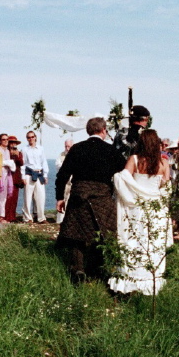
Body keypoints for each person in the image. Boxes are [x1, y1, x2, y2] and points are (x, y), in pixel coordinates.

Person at [56, 117, 126, 283]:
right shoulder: (111, 151)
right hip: (102, 196)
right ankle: (96, 270)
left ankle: (78, 269)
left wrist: (59, 197)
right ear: (103, 130)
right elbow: (124, 173)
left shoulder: (77, 149)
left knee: (76, 232)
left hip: (79, 194)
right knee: (102, 232)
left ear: (88, 131)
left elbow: (62, 175)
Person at [109, 129, 173, 296]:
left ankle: (130, 278)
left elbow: (121, 178)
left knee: (134, 241)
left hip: (137, 208)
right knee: (153, 243)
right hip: (155, 209)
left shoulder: (134, 160)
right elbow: (165, 188)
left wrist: (134, 194)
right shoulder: (163, 163)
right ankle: (151, 279)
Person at [21, 130, 50, 223]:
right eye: (29, 137)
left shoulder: (41, 148)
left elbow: (44, 162)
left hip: (39, 174)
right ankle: (27, 218)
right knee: (27, 197)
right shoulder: (24, 149)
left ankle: (41, 217)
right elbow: (23, 163)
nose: (31, 139)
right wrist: (23, 176)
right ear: (27, 139)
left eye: (32, 137)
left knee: (41, 197)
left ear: (35, 137)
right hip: (29, 174)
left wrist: (45, 175)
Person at [0, 133, 17, 223]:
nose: (5, 141)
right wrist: (8, 163)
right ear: (0, 140)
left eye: (6, 139)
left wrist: (10, 164)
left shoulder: (7, 151)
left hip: (7, 174)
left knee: (4, 196)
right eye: (3, 139)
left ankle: (2, 215)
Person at [4, 136, 24, 222]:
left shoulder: (19, 152)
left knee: (14, 199)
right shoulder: (6, 152)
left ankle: (12, 216)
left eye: (14, 143)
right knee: (7, 198)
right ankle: (6, 216)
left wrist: (17, 155)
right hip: (8, 177)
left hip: (16, 178)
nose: (13, 144)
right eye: (11, 142)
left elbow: (21, 163)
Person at [55, 139, 74, 224]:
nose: (67, 148)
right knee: (62, 199)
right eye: (66, 146)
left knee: (71, 201)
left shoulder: (75, 154)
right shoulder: (61, 155)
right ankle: (60, 220)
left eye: (69, 146)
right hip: (64, 182)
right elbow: (58, 165)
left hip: (72, 181)